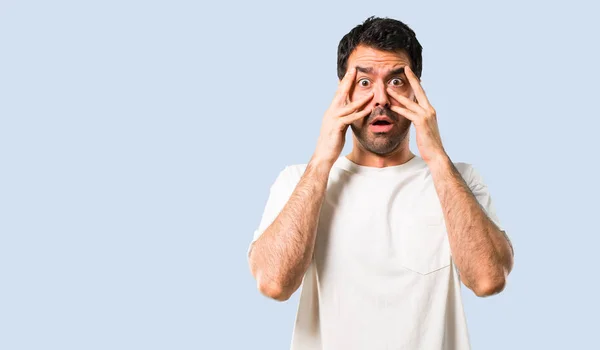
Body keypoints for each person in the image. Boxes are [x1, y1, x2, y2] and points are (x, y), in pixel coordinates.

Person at [247, 16, 514, 350]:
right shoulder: (296, 182)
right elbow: (273, 283)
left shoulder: (460, 181)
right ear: (342, 91)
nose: (381, 99)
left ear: (418, 91)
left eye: (396, 82)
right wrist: (322, 161)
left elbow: (489, 279)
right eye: (363, 83)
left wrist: (437, 158)